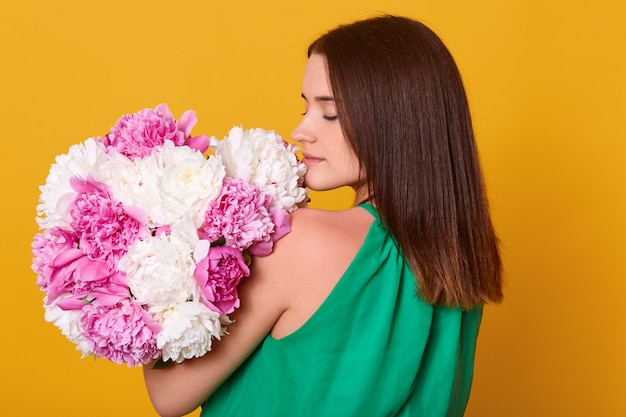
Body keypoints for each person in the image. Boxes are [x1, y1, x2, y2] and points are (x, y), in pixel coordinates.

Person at [143, 14, 503, 417]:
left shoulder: (302, 241)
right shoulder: (462, 258)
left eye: (329, 113)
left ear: (395, 120)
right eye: (305, 107)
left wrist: (154, 257)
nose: (302, 130)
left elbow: (170, 395)